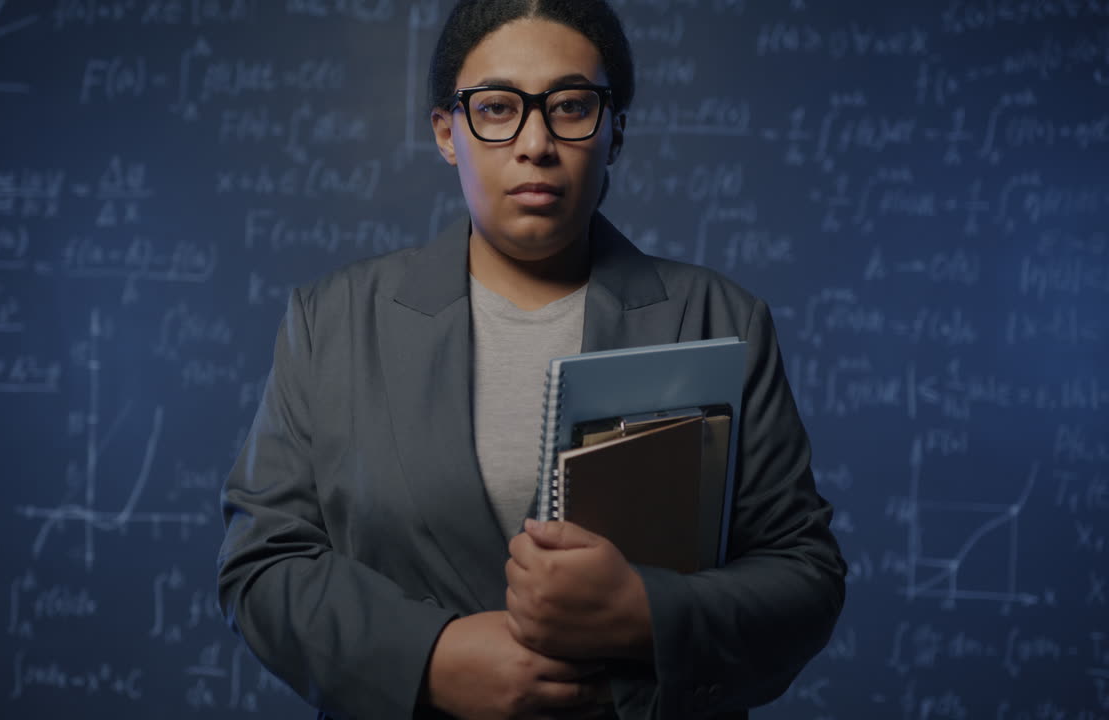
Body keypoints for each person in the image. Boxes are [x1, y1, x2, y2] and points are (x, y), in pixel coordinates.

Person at [217, 1, 846, 718]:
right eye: (496, 107)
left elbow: (806, 576)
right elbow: (260, 565)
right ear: (447, 131)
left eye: (571, 106)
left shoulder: (722, 321)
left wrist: (645, 611)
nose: (535, 142)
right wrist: (432, 658)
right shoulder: (330, 322)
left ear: (614, 132)